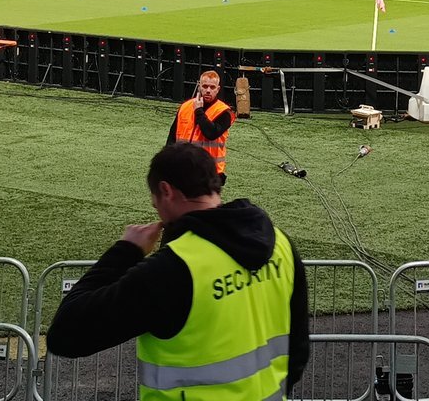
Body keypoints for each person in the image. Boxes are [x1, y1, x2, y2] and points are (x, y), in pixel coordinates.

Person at [45, 143, 311, 400]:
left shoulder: (172, 270)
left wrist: (125, 250)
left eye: (154, 200)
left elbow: (66, 334)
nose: (155, 207)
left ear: (166, 191)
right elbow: (297, 350)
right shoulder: (280, 243)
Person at [169, 70, 234, 180]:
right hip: (183, 167)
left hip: (209, 172)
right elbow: (172, 137)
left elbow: (211, 133)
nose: (208, 90)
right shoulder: (185, 106)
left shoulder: (225, 112)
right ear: (199, 87)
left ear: (218, 89)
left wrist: (198, 111)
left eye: (212, 87)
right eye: (205, 86)